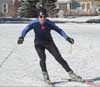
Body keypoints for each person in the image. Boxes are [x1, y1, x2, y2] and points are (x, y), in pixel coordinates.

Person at [17, 10, 83, 84]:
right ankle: (45, 75)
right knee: (42, 58)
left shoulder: (49, 23)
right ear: (38, 17)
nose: (42, 18)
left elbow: (59, 30)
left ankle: (71, 74)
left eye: (44, 17)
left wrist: (67, 38)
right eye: (40, 17)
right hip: (38, 44)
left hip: (49, 43)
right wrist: (21, 37)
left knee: (59, 58)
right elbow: (25, 29)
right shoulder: (34, 23)